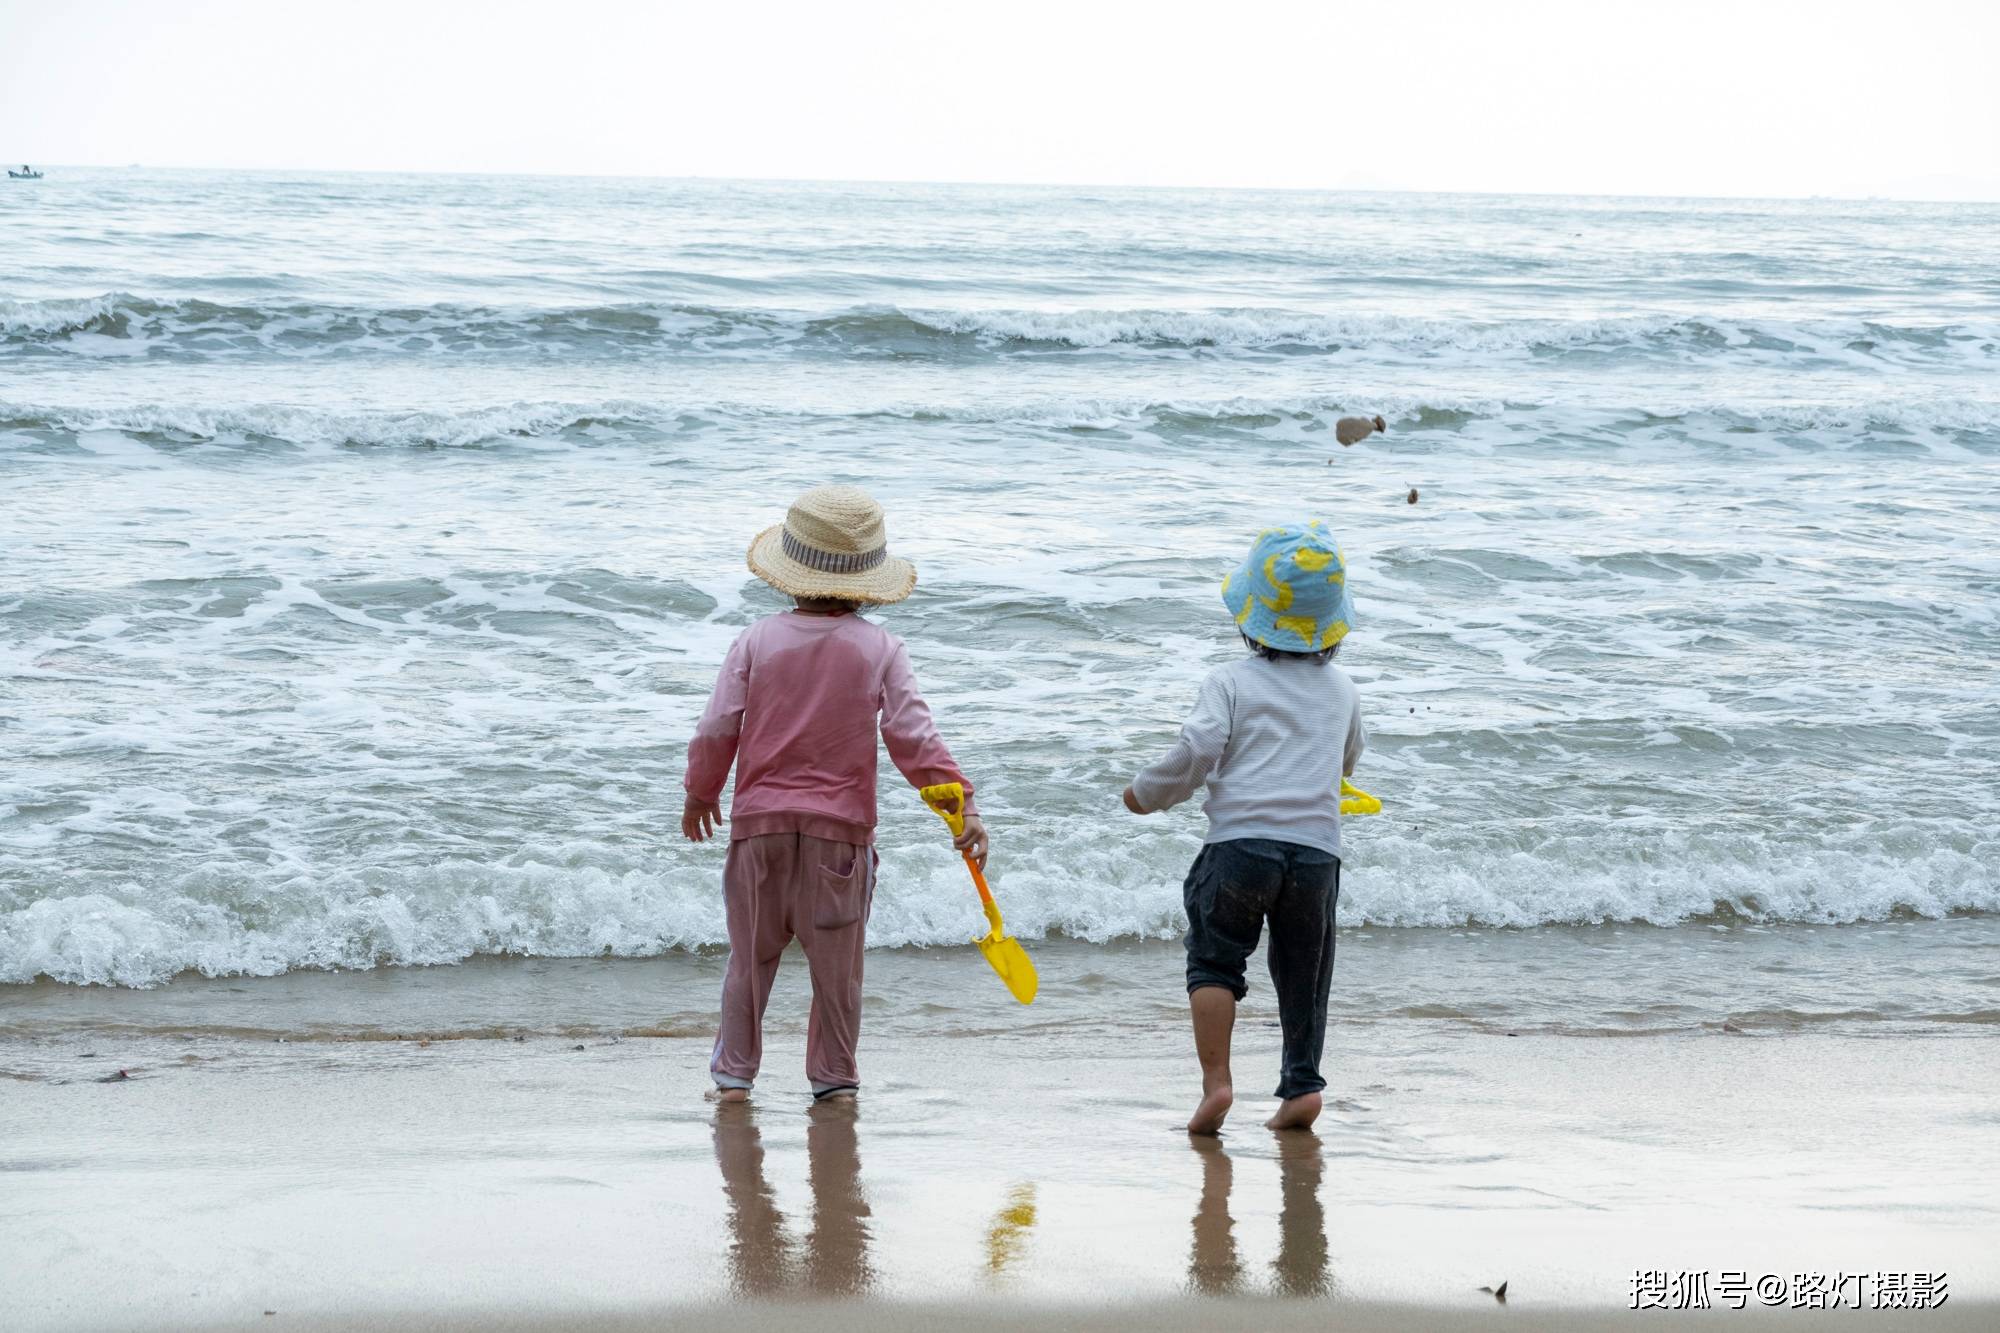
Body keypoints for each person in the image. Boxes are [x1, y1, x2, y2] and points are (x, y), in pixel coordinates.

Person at [683, 483, 985, 1102]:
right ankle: (834, 1080)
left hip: (759, 831)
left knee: (750, 963)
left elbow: (718, 724)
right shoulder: (880, 649)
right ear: (865, 580)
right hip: (840, 841)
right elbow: (913, 738)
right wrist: (961, 807)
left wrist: (700, 791)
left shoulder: (756, 640)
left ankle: (734, 1077)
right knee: (837, 974)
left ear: (788, 572)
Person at [1122, 521, 1365, 1134]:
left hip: (1238, 850)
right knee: (1305, 974)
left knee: (1214, 963)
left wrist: (1147, 795)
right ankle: (1302, 1088)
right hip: (1315, 856)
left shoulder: (1230, 681)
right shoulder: (1342, 690)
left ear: (1250, 615)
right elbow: (1346, 761)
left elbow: (1197, 752)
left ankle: (1218, 1085)